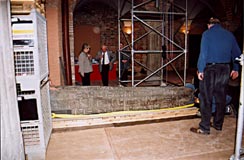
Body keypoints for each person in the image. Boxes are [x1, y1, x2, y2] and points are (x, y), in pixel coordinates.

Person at [190, 17, 241, 135]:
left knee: (206, 97)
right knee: (221, 97)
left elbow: (203, 53)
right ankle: (218, 124)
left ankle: (204, 127)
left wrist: (200, 69)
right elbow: (237, 54)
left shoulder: (207, 34)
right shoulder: (229, 35)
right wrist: (236, 69)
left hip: (210, 69)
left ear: (209, 25)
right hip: (225, 69)